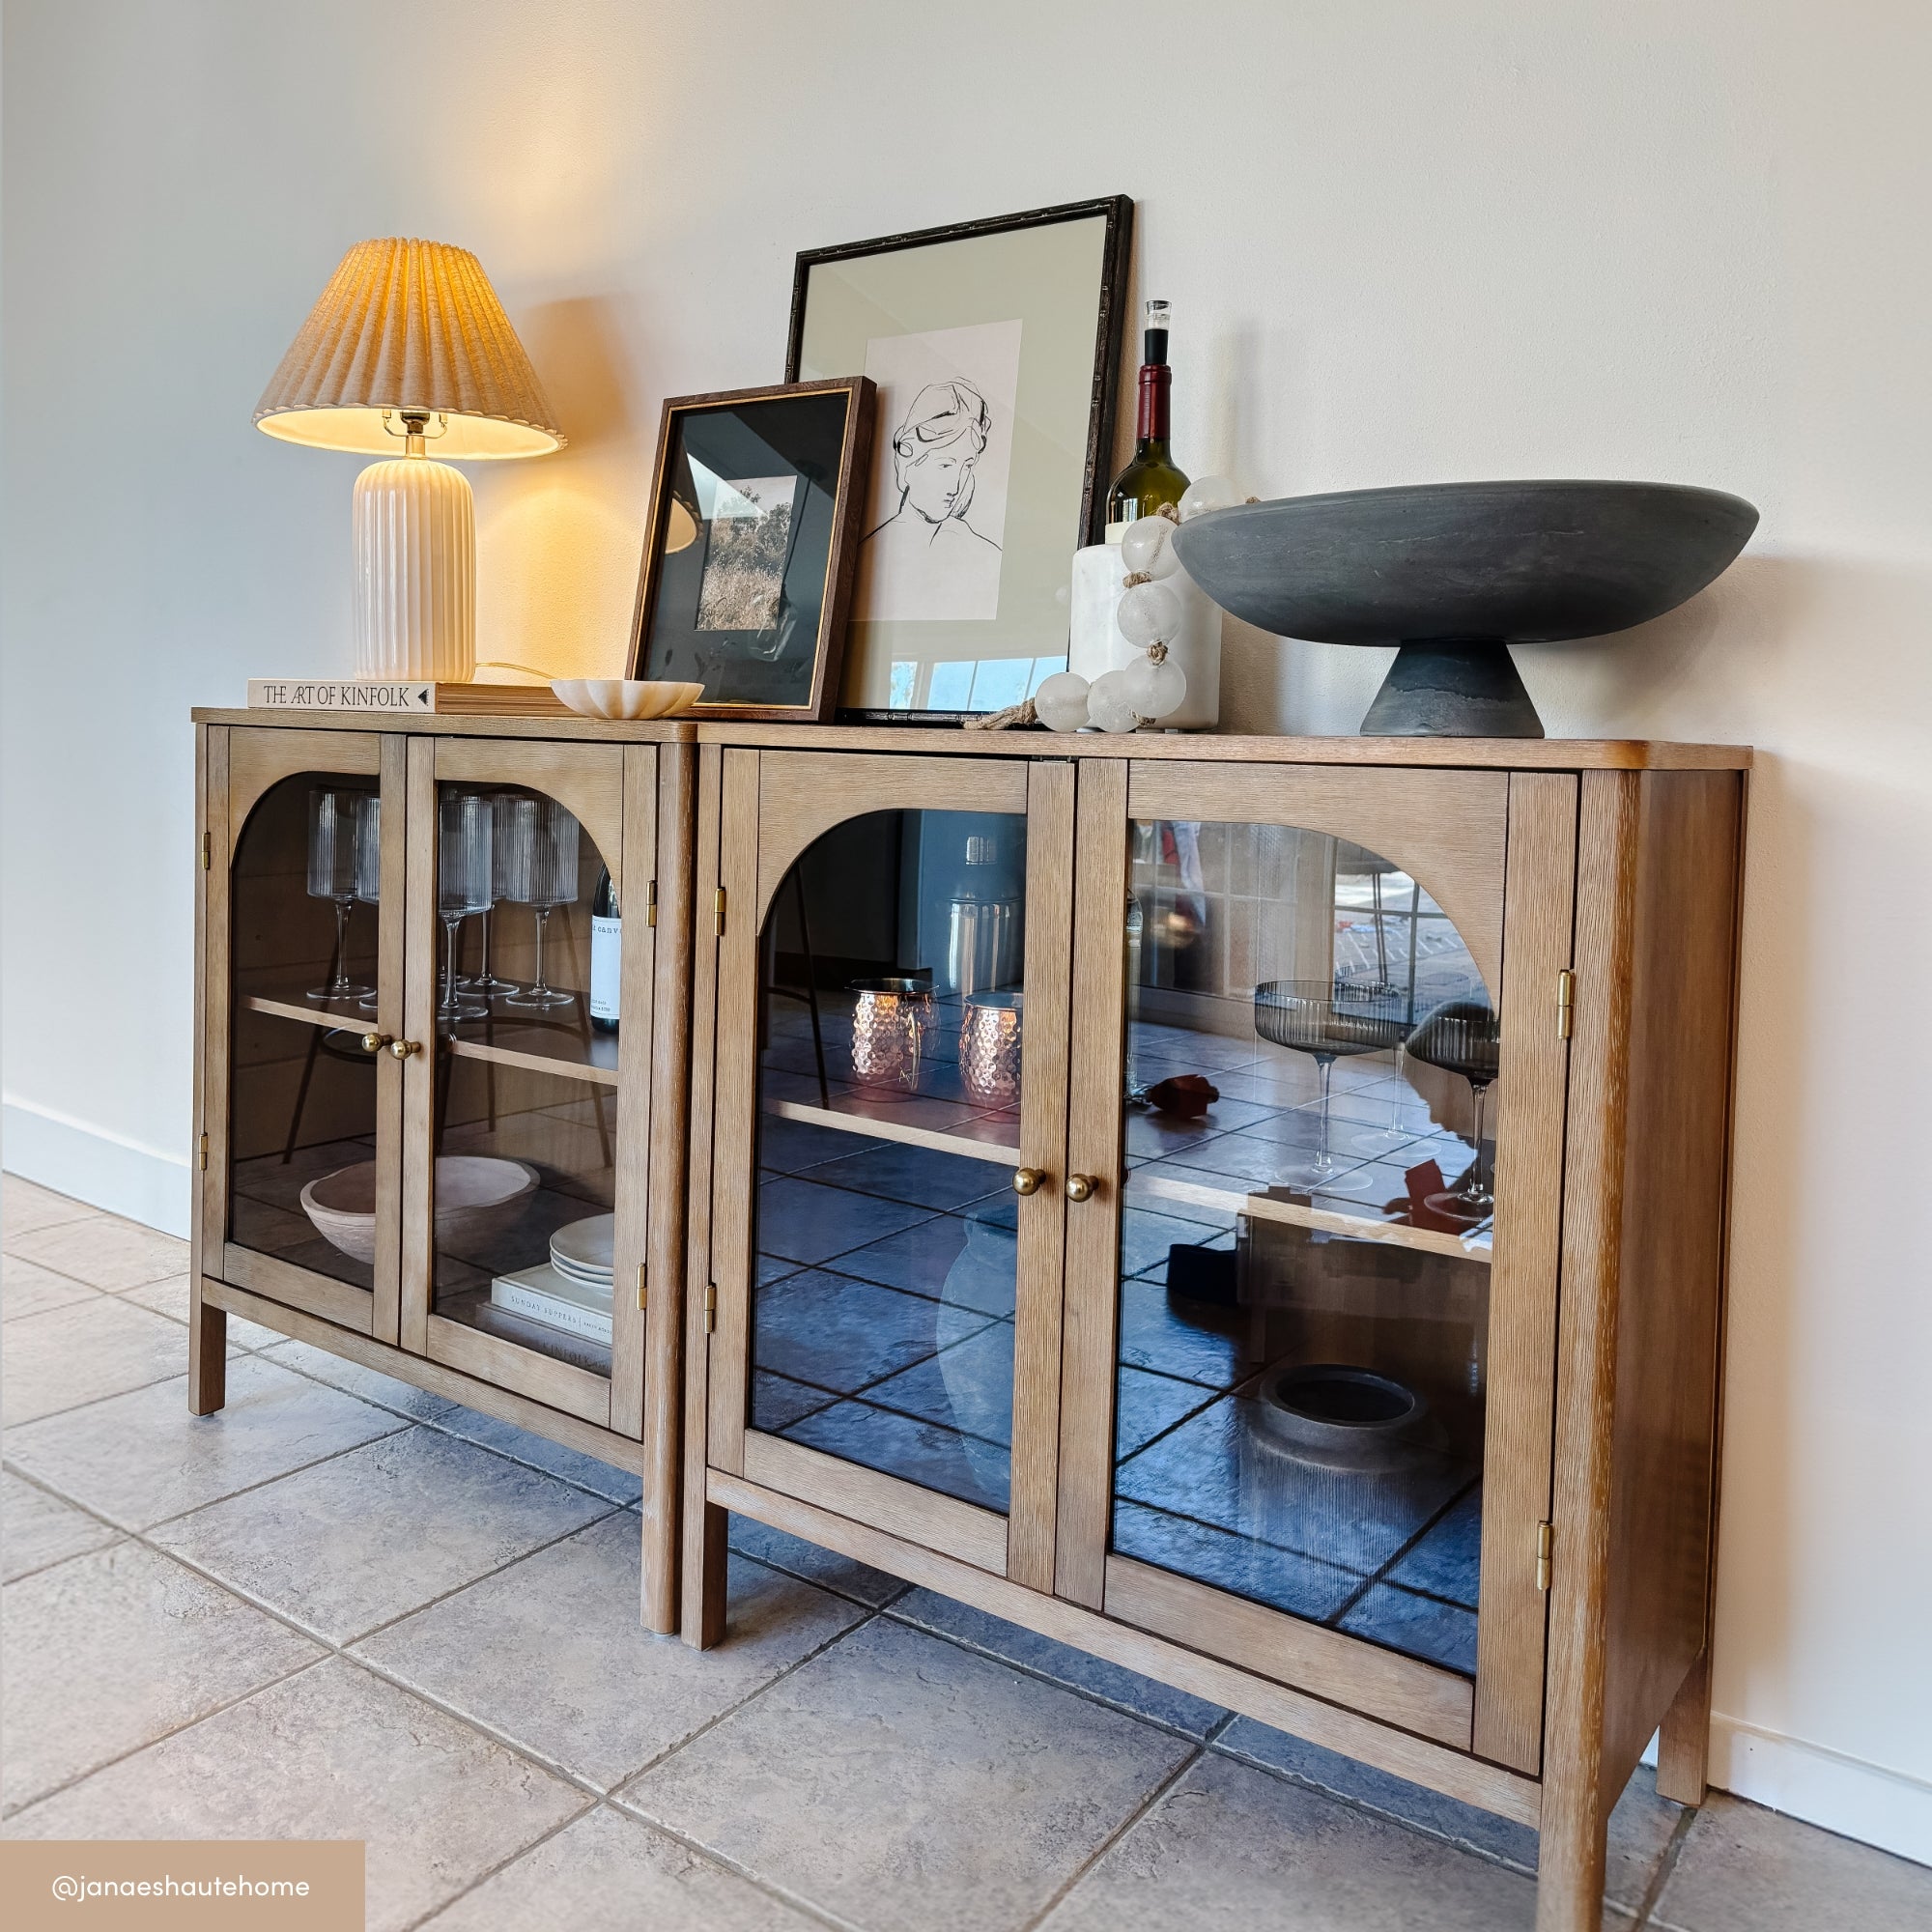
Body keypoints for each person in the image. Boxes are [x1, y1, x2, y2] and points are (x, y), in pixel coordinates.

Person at [857, 379, 1003, 622]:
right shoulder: (867, 555)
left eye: (966, 466)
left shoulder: (984, 554)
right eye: (945, 465)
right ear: (909, 462)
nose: (956, 486)